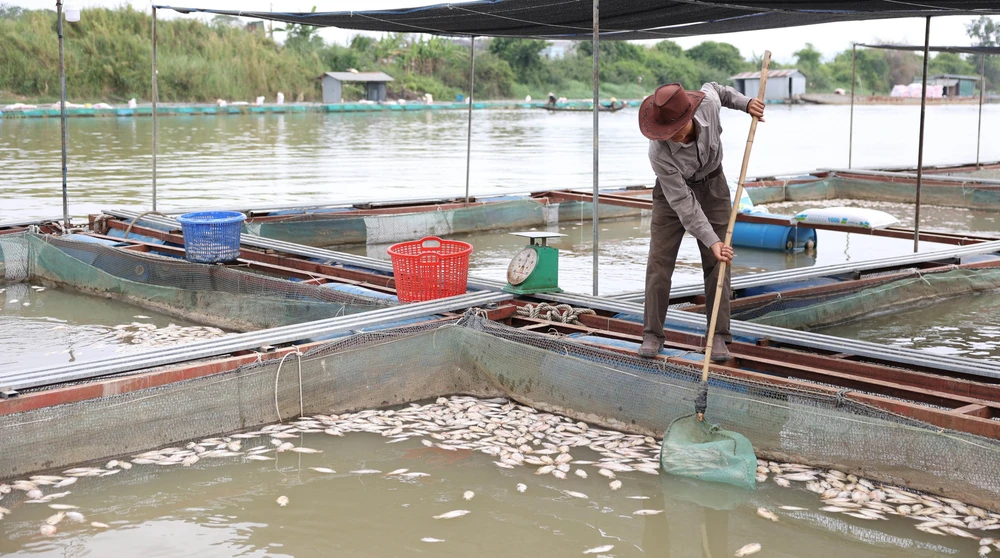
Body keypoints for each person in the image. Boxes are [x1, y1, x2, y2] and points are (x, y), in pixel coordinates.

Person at [637, 82, 765, 360]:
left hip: (713, 185)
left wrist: (745, 103)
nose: (673, 137)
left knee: (719, 261)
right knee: (659, 262)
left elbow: (719, 90)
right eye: (667, 133)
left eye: (677, 130)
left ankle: (718, 335)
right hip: (673, 194)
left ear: (690, 117)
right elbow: (684, 203)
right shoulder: (658, 152)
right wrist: (711, 239)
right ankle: (652, 334)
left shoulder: (708, 103)